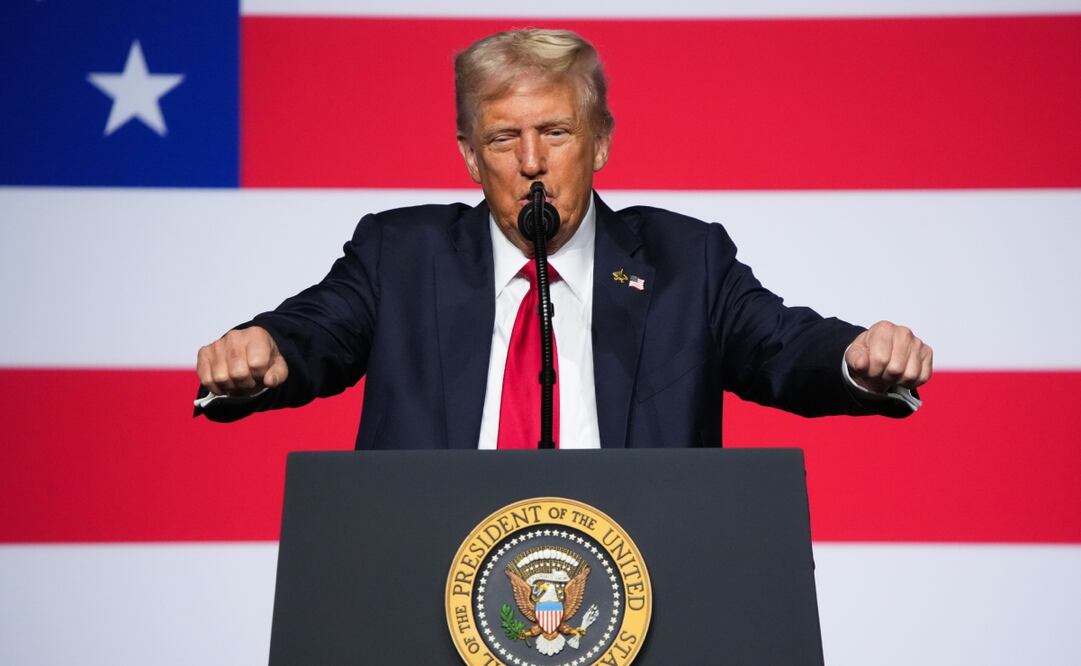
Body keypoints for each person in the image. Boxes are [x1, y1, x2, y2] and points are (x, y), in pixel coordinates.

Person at [194, 29, 932, 449]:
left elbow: (780, 346)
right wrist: (264, 350)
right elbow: (316, 330)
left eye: (554, 132)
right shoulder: (400, 253)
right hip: (427, 580)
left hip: (642, 585)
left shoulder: (684, 261)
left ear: (600, 143)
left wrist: (854, 357)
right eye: (503, 137)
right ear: (468, 154)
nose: (531, 162)